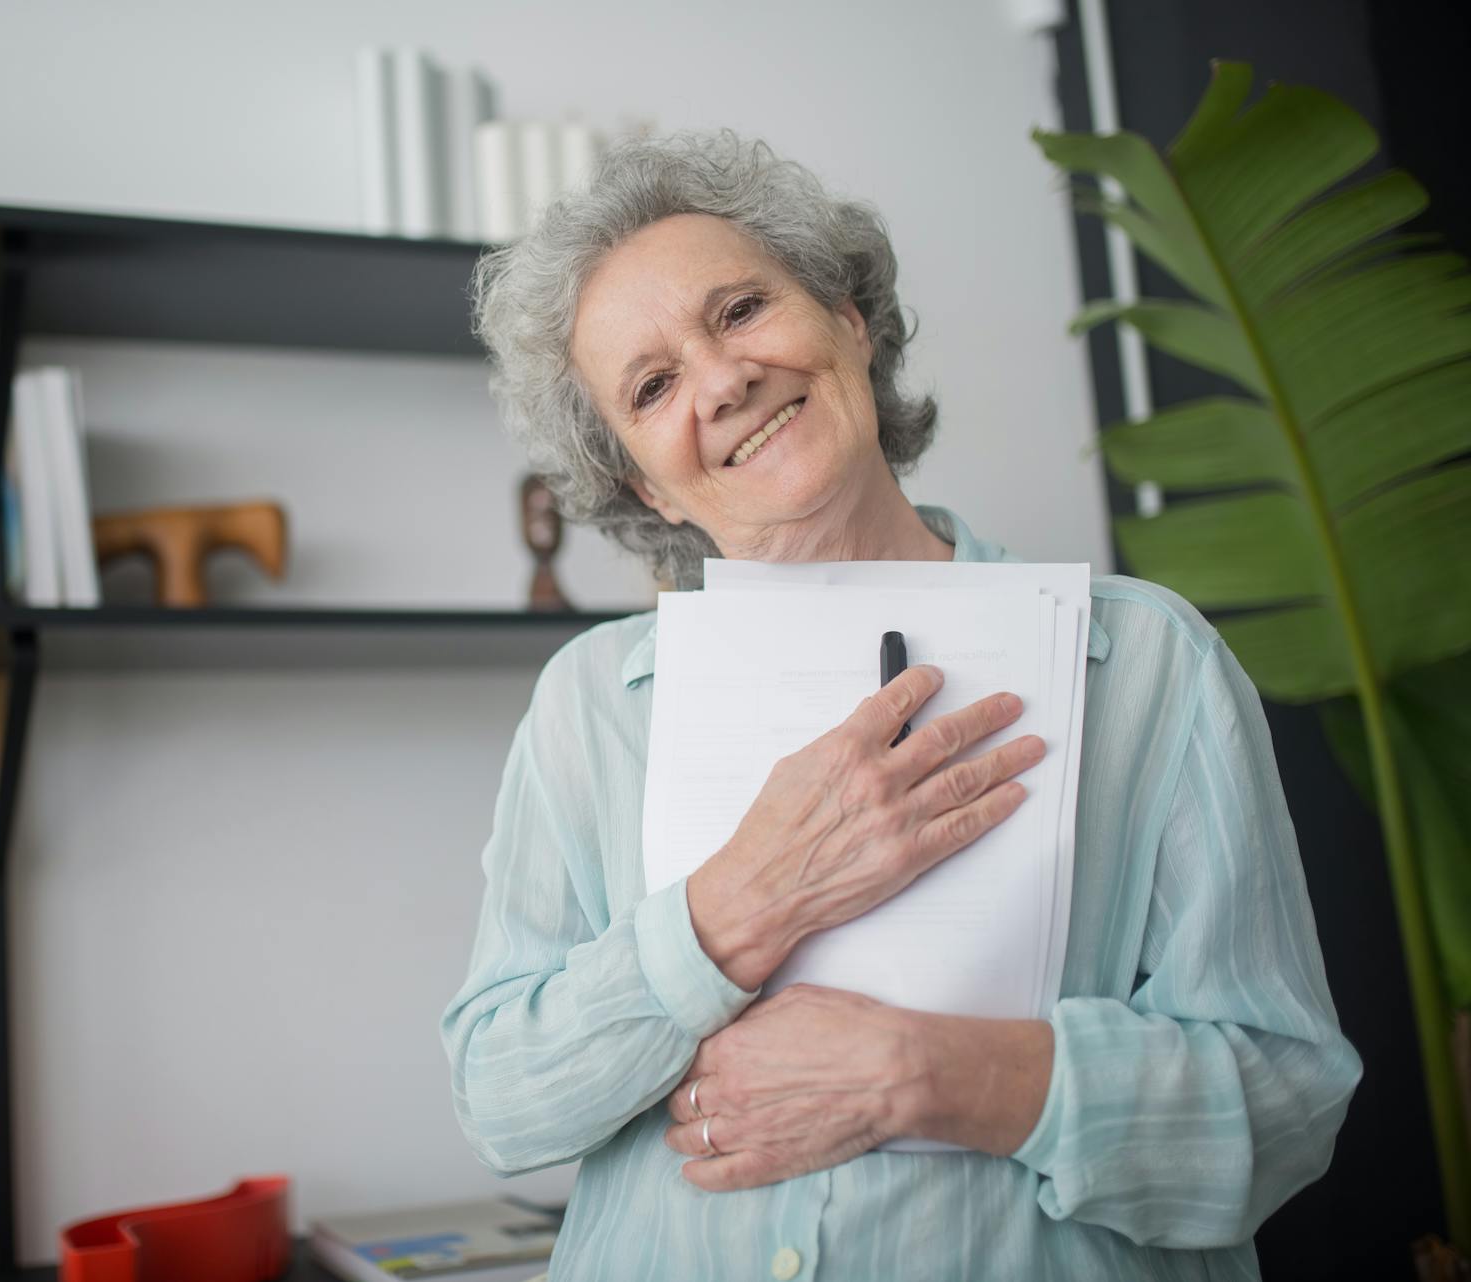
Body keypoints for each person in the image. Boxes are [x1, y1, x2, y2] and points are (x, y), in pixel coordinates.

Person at [439, 128, 1360, 1281]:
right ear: (640, 481)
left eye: (740, 310)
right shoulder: (589, 705)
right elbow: (501, 1102)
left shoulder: (1145, 662)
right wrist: (739, 904)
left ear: (848, 320)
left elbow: (1286, 1104)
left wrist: (925, 1073)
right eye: (654, 385)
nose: (723, 381)